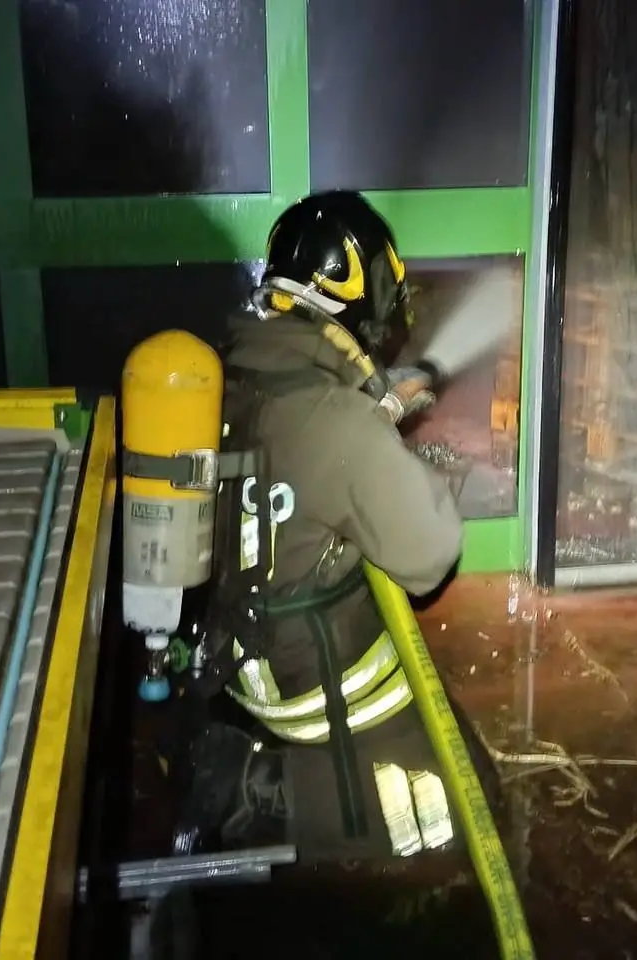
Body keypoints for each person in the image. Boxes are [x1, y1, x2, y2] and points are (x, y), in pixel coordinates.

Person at [172, 190, 498, 862]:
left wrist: (377, 405)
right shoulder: (334, 422)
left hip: (234, 662)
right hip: (315, 693)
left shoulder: (232, 374)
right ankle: (273, 795)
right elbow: (430, 555)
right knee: (466, 798)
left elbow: (296, 448)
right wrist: (395, 454)